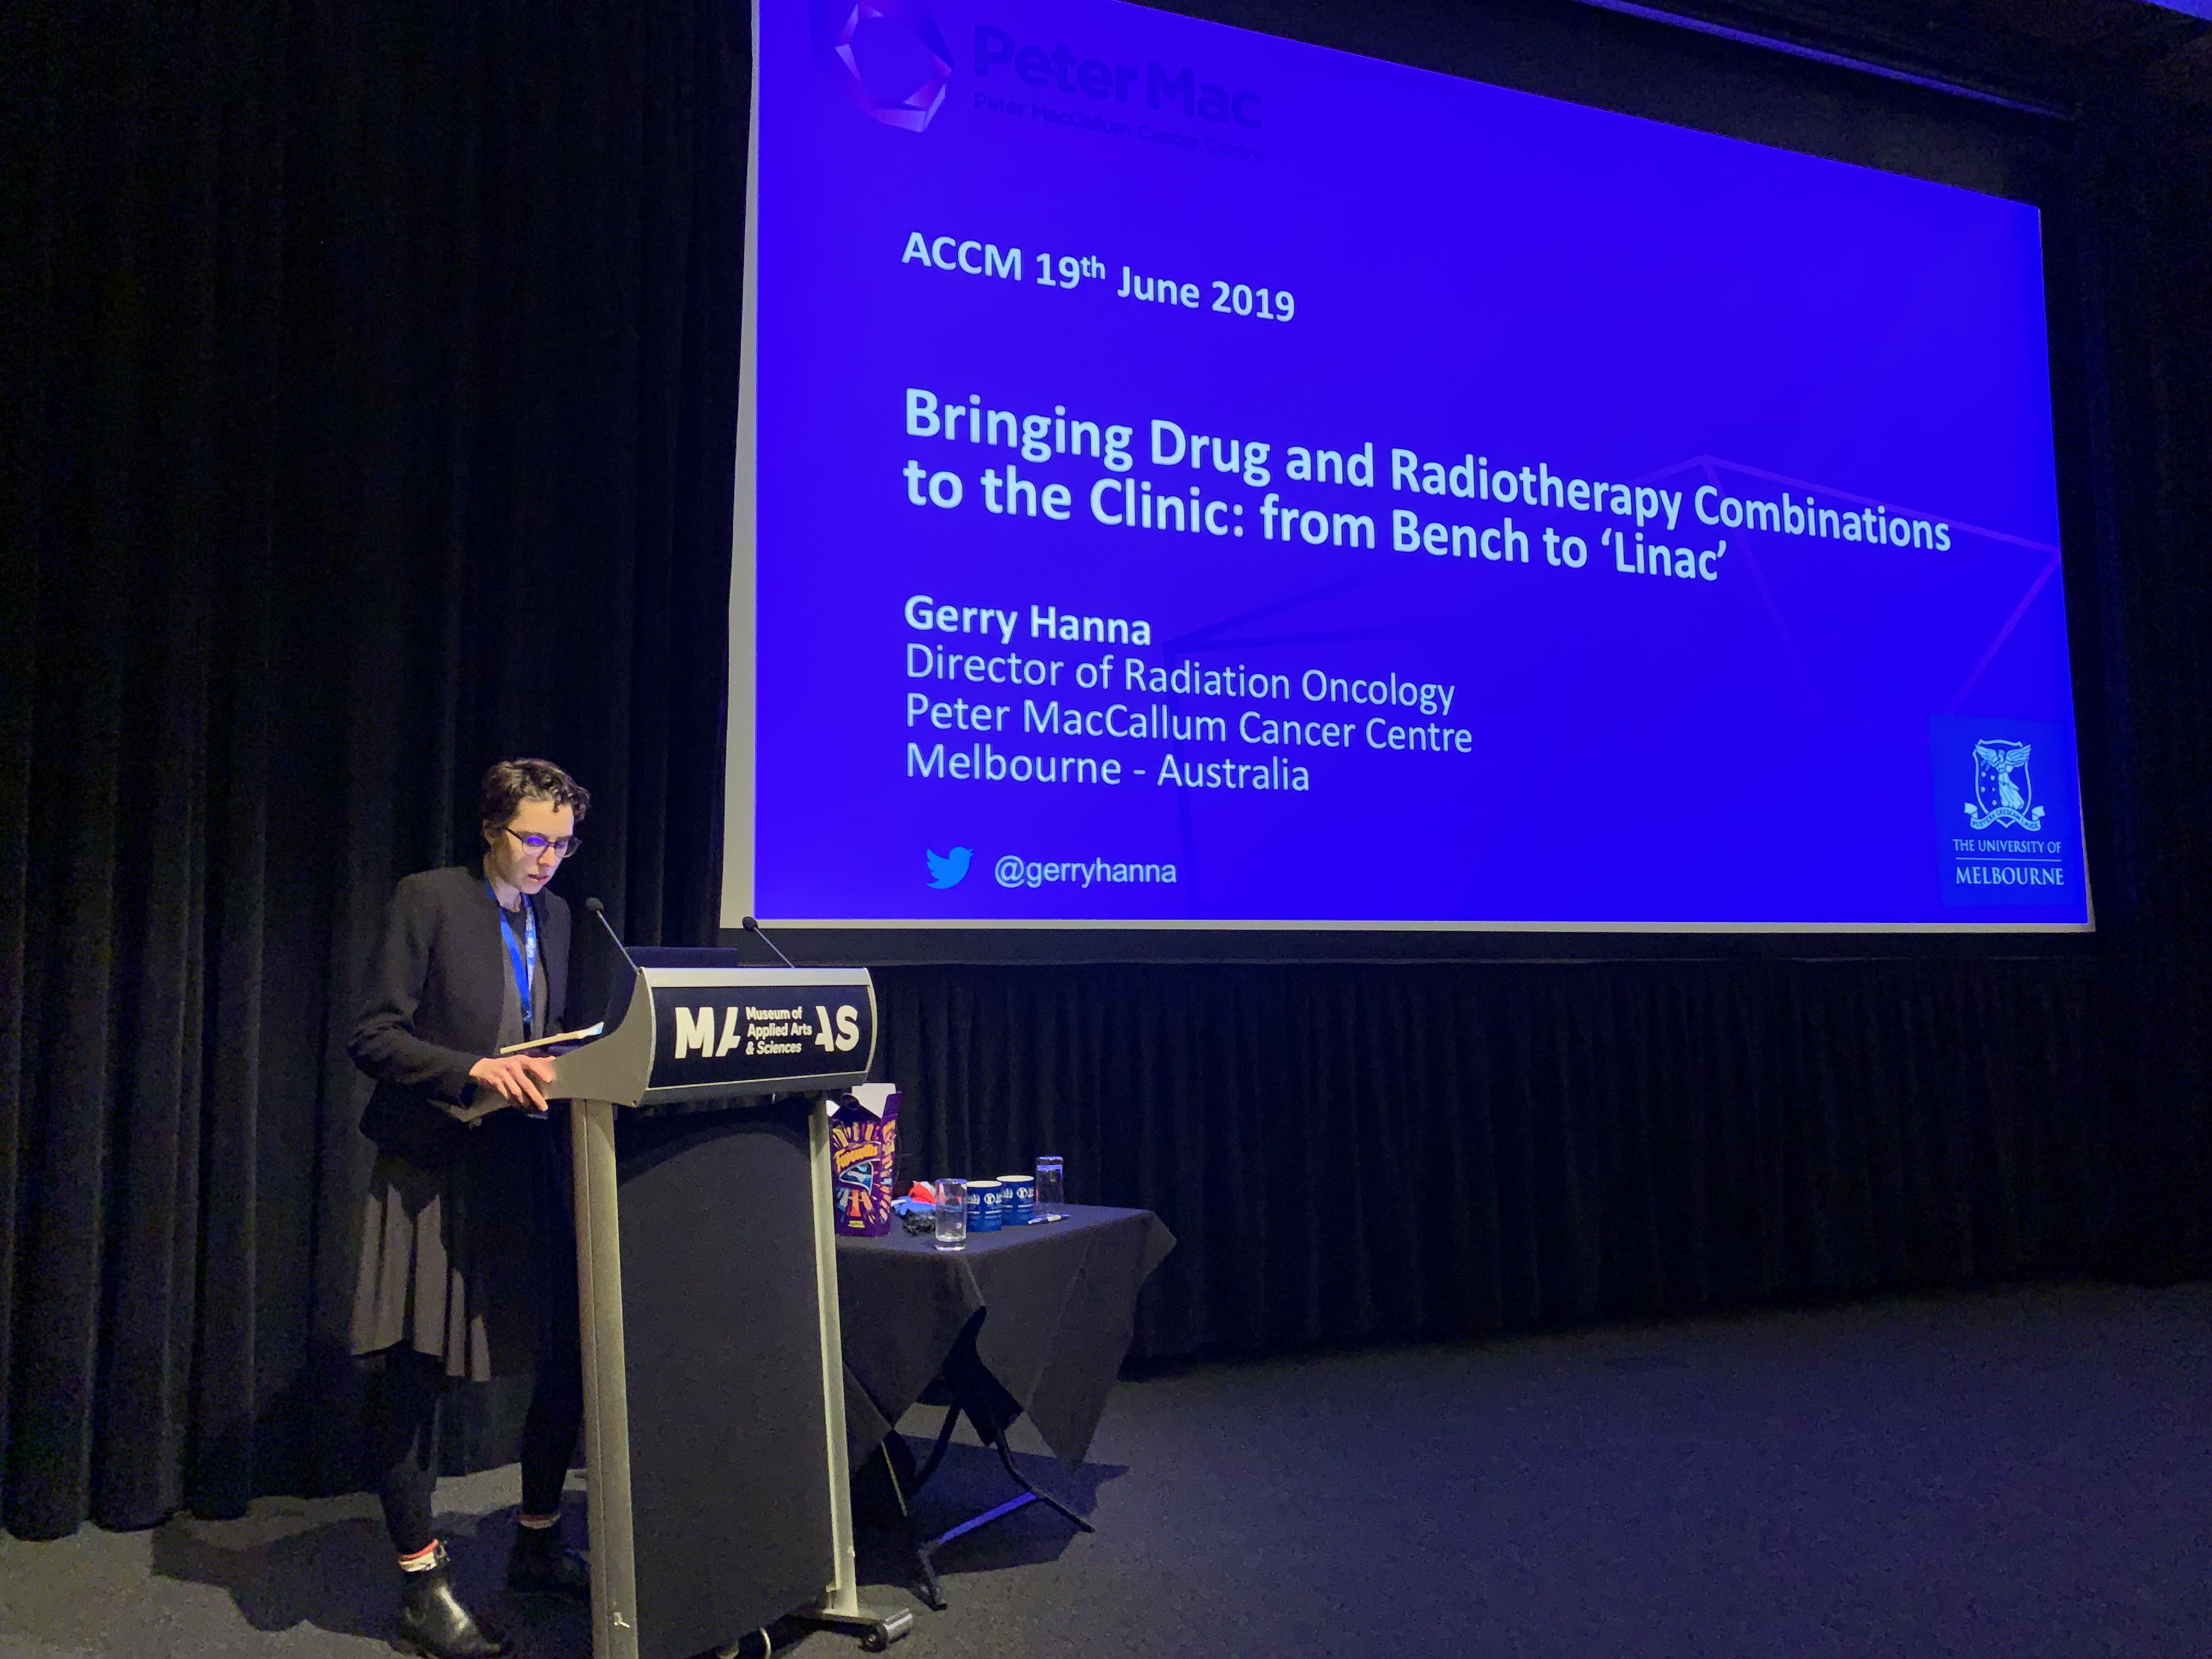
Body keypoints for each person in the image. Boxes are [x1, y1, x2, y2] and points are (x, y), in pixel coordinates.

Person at [349, 759, 595, 1659]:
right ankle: (422, 1584)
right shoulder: (430, 899)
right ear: (491, 827)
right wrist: (473, 1070)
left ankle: (536, 1542)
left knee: (567, 1352)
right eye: (534, 839)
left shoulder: (557, 916)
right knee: (412, 1373)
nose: (548, 858)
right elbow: (374, 1034)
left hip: (524, 1162)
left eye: (563, 843)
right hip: (437, 1163)